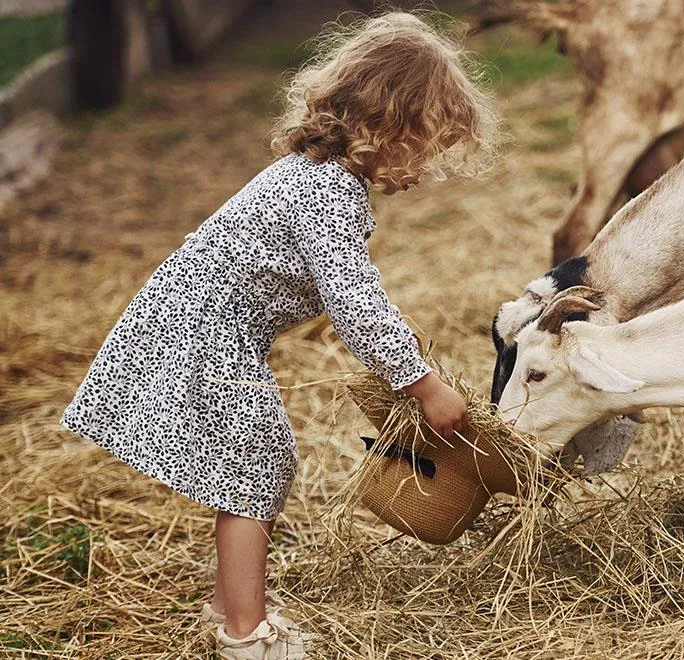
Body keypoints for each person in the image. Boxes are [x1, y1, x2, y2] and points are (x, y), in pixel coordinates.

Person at [59, 11, 498, 659]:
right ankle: (245, 636)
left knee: (257, 465)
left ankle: (229, 607)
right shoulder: (327, 191)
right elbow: (354, 302)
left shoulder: (319, 177)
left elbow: (352, 295)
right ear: (387, 122)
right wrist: (421, 382)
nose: (428, 166)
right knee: (254, 469)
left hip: (204, 325)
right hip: (203, 332)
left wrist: (405, 359)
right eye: (427, 144)